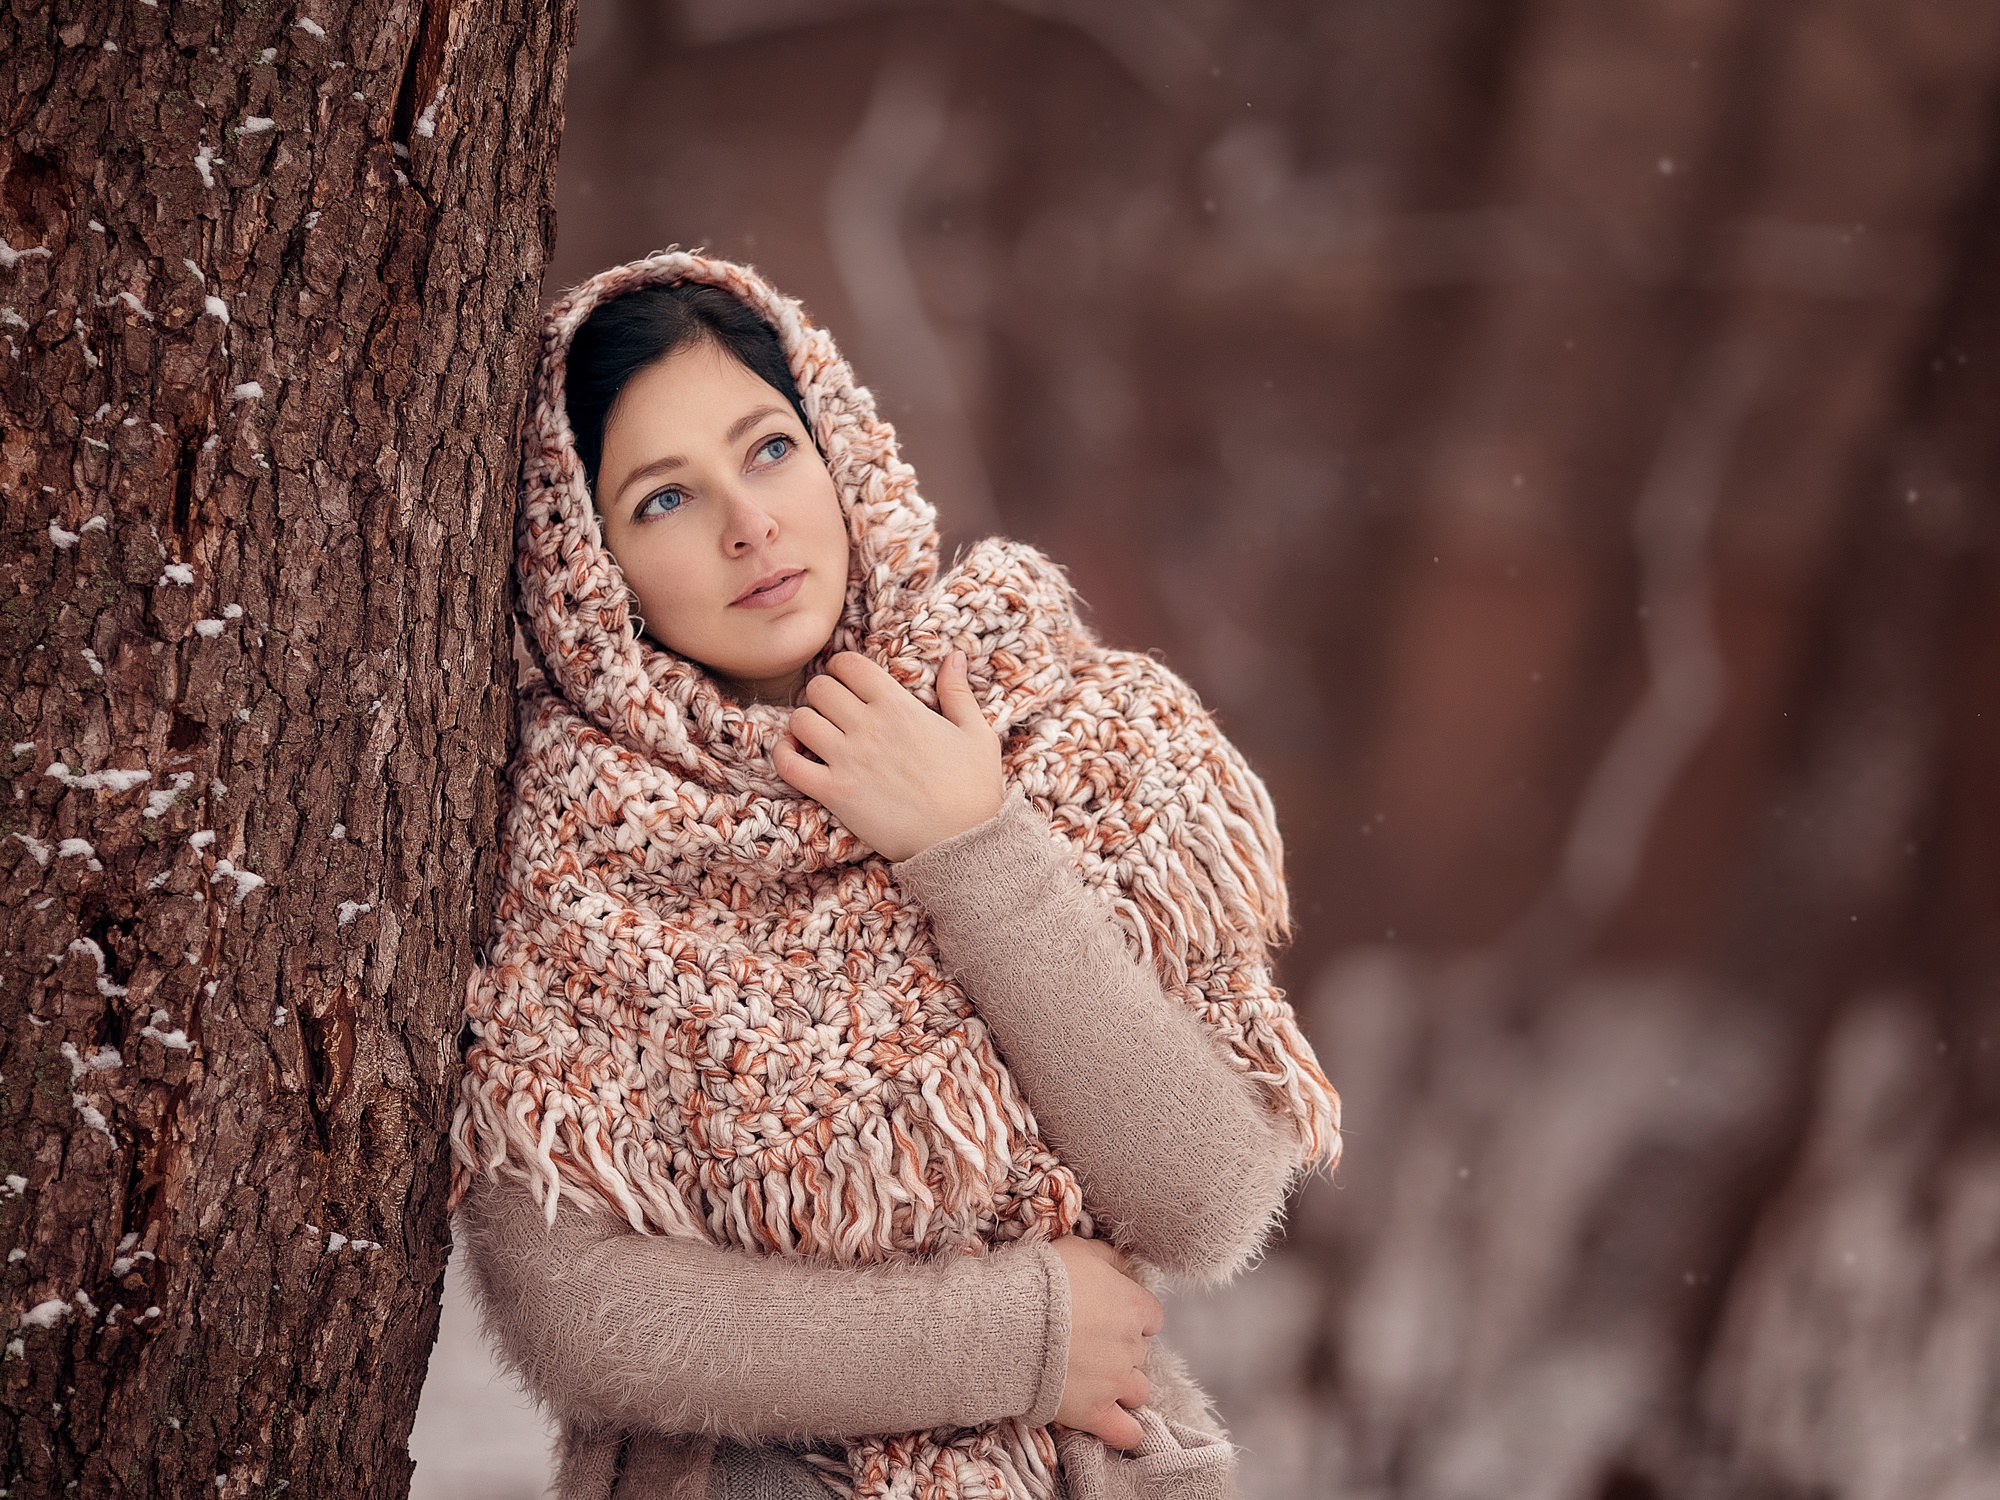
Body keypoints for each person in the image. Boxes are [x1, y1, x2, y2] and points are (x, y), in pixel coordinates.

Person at [449, 251, 1342, 1500]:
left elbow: (1208, 1199)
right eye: (662, 499)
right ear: (585, 573)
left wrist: (970, 845)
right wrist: (1016, 1340)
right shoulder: (564, 852)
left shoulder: (1062, 721)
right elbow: (582, 1314)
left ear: (837, 445)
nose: (748, 523)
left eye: (767, 449)